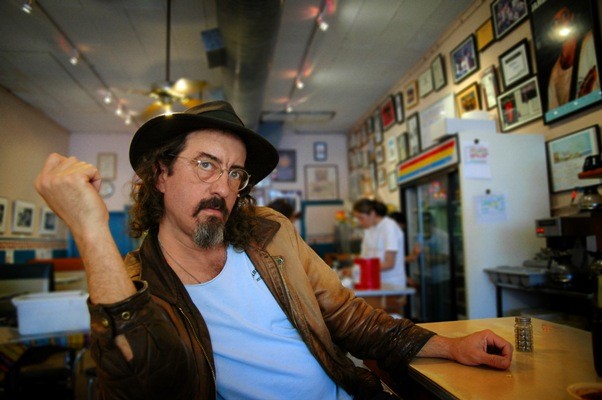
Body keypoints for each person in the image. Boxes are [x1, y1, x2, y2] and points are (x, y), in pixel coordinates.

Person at [35, 101, 513, 399]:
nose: (222, 187)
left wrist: (450, 345)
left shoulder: (269, 233)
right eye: (206, 165)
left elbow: (349, 317)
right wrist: (91, 229)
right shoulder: (138, 283)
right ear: (161, 174)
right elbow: (142, 385)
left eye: (235, 173)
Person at [547, 5, 600, 109]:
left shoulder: (590, 41)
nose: (560, 23)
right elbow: (555, 111)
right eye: (556, 21)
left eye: (564, 16)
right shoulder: (554, 73)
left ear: (572, 16)